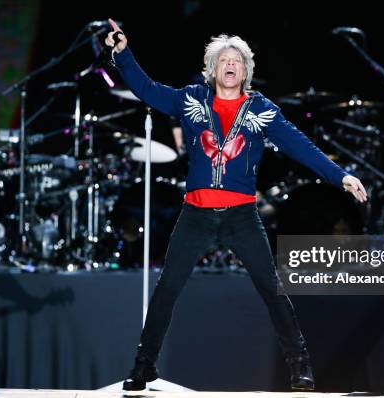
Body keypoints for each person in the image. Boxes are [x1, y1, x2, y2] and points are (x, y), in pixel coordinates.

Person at [104, 19, 367, 392]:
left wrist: (340, 175)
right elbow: (147, 90)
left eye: (238, 60)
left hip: (242, 217)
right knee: (167, 289)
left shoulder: (262, 110)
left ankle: (300, 367)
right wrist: (123, 54)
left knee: (270, 288)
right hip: (195, 214)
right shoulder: (190, 98)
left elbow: (300, 146)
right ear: (212, 69)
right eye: (224, 60)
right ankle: (144, 366)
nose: (231, 65)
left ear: (246, 71)